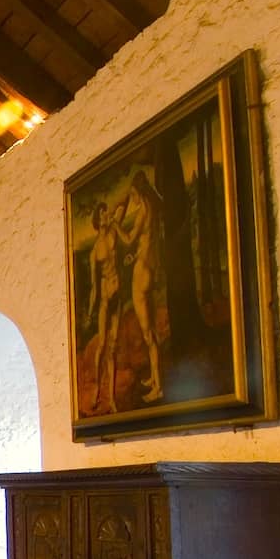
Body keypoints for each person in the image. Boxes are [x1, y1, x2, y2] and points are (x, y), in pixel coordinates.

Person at [116, 169, 167, 403]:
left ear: (137, 191)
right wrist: (133, 258)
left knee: (148, 334)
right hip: (150, 266)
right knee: (152, 332)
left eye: (132, 193)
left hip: (141, 274)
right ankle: (156, 379)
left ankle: (159, 387)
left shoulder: (141, 211)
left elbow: (129, 240)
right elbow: (147, 243)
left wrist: (115, 226)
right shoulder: (153, 208)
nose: (132, 198)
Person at [85, 202, 124, 415]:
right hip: (105, 298)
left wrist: (114, 219)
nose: (106, 215)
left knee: (113, 347)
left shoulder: (114, 235)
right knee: (102, 345)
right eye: (102, 214)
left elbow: (122, 206)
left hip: (117, 291)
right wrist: (91, 312)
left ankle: (112, 397)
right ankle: (97, 390)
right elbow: (93, 287)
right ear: (97, 221)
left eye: (106, 212)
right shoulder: (94, 252)